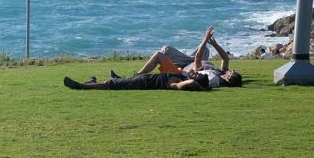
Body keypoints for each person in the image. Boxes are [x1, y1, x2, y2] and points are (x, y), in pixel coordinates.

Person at [123, 27, 243, 88]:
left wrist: (205, 39)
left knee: (159, 55)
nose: (232, 71)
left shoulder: (212, 78)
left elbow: (197, 59)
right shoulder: (221, 72)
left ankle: (138, 75)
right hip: (188, 63)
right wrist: (215, 44)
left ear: (228, 79)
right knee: (204, 50)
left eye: (231, 73)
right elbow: (225, 59)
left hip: (179, 72)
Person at [64, 71, 210, 91]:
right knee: (116, 81)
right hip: (142, 78)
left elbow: (185, 85)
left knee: (111, 85)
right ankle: (92, 81)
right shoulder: (181, 76)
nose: (195, 73)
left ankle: (81, 85)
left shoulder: (176, 83)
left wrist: (203, 89)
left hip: (141, 83)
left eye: (197, 75)